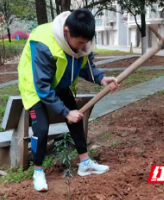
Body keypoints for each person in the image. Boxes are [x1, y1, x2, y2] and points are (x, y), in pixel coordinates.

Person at [18, 8, 119, 192]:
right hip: (35, 85)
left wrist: (102, 78)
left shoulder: (82, 41)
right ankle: (38, 171)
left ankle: (85, 163)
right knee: (40, 127)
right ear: (66, 32)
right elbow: (43, 87)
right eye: (80, 43)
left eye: (86, 43)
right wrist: (64, 112)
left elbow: (86, 67)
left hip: (59, 82)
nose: (82, 47)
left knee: (76, 117)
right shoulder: (43, 44)